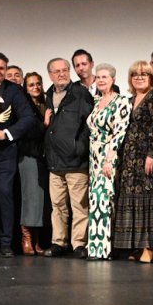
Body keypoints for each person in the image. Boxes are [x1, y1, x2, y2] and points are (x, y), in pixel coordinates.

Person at [0, 51, 37, 257]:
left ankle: (5, 243)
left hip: (5, 152)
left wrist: (7, 133)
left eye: (2, 68)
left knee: (5, 195)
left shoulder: (14, 90)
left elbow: (28, 118)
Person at [112, 60, 153, 263]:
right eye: (135, 74)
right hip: (130, 159)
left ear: (151, 77)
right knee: (132, 201)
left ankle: (150, 247)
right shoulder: (132, 98)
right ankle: (137, 246)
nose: (139, 77)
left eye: (144, 74)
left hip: (147, 158)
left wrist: (152, 154)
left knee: (148, 202)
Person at [41, 57, 93, 257]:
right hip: (54, 162)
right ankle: (58, 243)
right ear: (50, 75)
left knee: (79, 205)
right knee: (58, 206)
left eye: (64, 70)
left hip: (75, 162)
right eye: (57, 71)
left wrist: (78, 148)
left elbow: (89, 124)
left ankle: (79, 244)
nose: (61, 74)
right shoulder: (48, 95)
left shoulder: (80, 94)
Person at [84, 63, 130, 260]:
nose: (101, 80)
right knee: (96, 201)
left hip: (108, 157)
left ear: (113, 79)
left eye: (105, 77)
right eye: (99, 77)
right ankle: (98, 247)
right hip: (93, 158)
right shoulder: (95, 101)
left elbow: (119, 133)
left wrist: (109, 160)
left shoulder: (121, 101)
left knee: (102, 199)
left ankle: (101, 249)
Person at [18, 71, 48, 254]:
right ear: (25, 88)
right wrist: (44, 124)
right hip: (28, 156)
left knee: (41, 201)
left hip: (44, 158)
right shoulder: (24, 107)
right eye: (31, 84)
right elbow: (28, 131)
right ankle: (26, 238)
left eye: (38, 83)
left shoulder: (46, 104)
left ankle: (37, 240)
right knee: (30, 199)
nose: (35, 87)